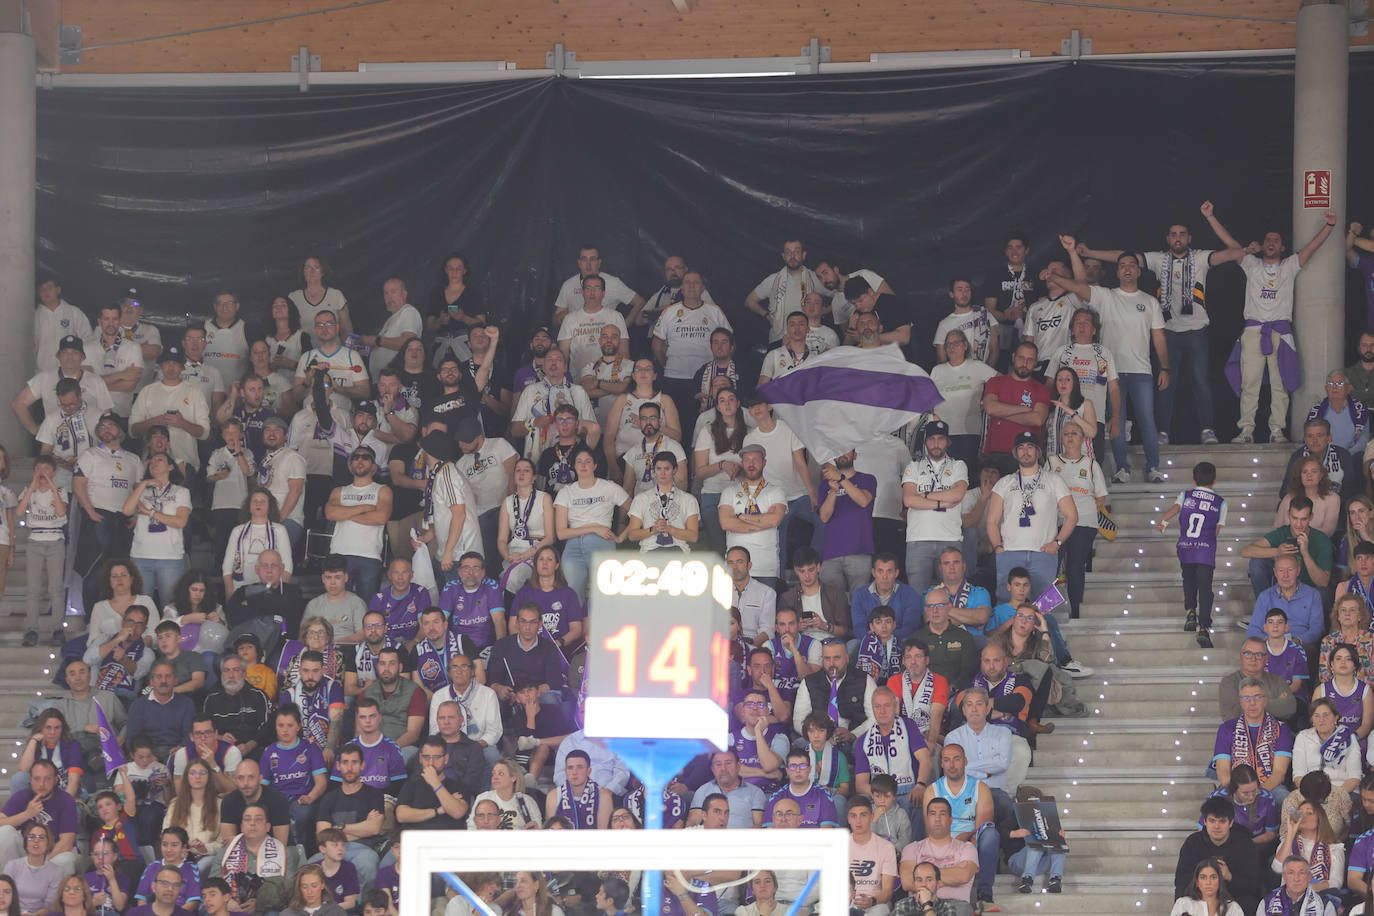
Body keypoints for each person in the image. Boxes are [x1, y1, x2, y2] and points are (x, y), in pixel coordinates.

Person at [1056, 235, 1169, 482]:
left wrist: (1165, 367)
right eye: (1122, 265)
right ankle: (1122, 469)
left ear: (1139, 271)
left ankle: (1154, 467)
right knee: (1115, 420)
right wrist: (1062, 268)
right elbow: (1079, 285)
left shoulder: (1149, 302)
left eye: (1131, 264)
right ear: (1117, 271)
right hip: (1111, 372)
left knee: (1147, 420)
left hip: (1141, 371)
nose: (1127, 268)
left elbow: (1159, 337)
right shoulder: (1106, 296)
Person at [1229, 212, 1339, 443]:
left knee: (1281, 385)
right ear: (1262, 245)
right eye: (1268, 239)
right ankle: (1246, 430)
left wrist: (1329, 225)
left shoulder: (1289, 265)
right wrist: (1210, 217)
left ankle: (1277, 430)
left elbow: (1312, 247)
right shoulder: (1251, 263)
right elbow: (1230, 244)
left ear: (1282, 246)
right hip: (1253, 331)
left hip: (1281, 332)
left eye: (1276, 240)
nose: (1271, 243)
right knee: (1250, 383)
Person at [986, 430, 1077, 601]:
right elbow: (991, 521)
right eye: (1021, 447)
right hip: (1011, 553)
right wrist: (998, 547)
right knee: (1006, 606)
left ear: (1037, 451)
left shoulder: (1053, 480)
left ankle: (1044, 629)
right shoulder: (1005, 482)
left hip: (1043, 553)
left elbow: (1072, 516)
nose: (1025, 451)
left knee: (1045, 606)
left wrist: (1057, 543)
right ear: (1015, 453)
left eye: (1030, 447)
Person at [553, 445, 629, 597]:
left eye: (588, 461)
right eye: (579, 462)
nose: (583, 465)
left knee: (604, 595)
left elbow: (638, 513)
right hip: (573, 546)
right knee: (573, 597)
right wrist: (593, 528)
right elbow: (561, 533)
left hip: (601, 542)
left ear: (595, 465)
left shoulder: (609, 488)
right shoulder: (565, 492)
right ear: (574, 466)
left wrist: (621, 536)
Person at [1175, 795, 1266, 916]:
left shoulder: (1244, 844)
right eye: (1212, 821)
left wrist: (1230, 877)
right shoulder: (1193, 843)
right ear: (1205, 822)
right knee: (1182, 902)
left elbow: (1254, 884)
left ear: (1231, 822)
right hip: (1199, 896)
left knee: (1249, 903)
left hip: (1234, 897)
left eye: (1222, 821)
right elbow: (1181, 880)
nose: (1217, 826)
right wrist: (1204, 883)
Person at [12, 335, 113, 439]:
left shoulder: (96, 381)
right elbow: (19, 403)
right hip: (56, 442)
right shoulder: (44, 378)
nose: (70, 357)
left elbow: (106, 414)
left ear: (82, 357)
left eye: (75, 353)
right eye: (65, 353)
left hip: (88, 442)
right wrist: (35, 430)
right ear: (58, 356)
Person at [324, 447, 392, 601]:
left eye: (365, 457)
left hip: (369, 555)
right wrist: (364, 509)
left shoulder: (383, 490)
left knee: (367, 608)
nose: (360, 460)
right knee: (337, 604)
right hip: (339, 554)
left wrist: (345, 514)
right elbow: (330, 514)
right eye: (355, 457)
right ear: (350, 465)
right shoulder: (338, 491)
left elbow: (381, 518)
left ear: (374, 466)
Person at [128, 346, 209, 475]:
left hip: (185, 463)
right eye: (167, 363)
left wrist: (182, 423)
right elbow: (133, 431)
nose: (171, 367)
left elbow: (204, 433)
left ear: (183, 367)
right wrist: (155, 422)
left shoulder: (194, 392)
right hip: (152, 464)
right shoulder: (147, 391)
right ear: (160, 366)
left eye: (175, 363)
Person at [312, 745, 382, 890]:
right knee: (309, 867)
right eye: (345, 762)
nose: (350, 767)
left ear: (362, 765)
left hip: (362, 850)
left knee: (368, 864)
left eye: (354, 762)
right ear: (338, 766)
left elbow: (374, 828)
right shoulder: (329, 798)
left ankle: (362, 909)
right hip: (330, 850)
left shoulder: (374, 795)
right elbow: (322, 835)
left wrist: (338, 828)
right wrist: (362, 826)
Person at [1214, 677, 1294, 803]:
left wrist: (1256, 792)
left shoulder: (1281, 729)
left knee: (1286, 800)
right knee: (1213, 803)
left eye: (1257, 697)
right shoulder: (1227, 728)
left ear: (1265, 700)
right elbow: (1223, 772)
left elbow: (1279, 772)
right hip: (1235, 788)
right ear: (1241, 701)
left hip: (1270, 786)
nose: (1252, 703)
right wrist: (1241, 791)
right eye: (1246, 698)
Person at [15, 457, 67, 647]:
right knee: (33, 589)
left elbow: (61, 513)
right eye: (38, 468)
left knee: (55, 588)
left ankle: (58, 629)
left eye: (46, 468)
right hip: (35, 540)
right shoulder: (30, 492)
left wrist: (52, 487)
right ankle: (32, 630)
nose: (42, 472)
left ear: (54, 472)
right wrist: (31, 487)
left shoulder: (60, 491)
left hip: (55, 540)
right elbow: (19, 512)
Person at [210, 803, 300, 913]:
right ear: (242, 827)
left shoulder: (285, 852)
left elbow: (289, 889)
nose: (252, 823)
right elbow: (212, 883)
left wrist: (260, 903)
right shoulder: (226, 851)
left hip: (268, 908)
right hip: (230, 906)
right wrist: (226, 901)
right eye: (247, 820)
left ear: (267, 827)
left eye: (258, 819)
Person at [259, 706, 328, 848]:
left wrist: (310, 797)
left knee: (303, 814)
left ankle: (304, 853)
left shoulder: (310, 748)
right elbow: (262, 786)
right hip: (278, 801)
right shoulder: (269, 752)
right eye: (281, 725)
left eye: (290, 725)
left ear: (298, 726)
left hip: (302, 800)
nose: (285, 730)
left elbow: (321, 782)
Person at [899, 797, 978, 916]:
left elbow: (963, 876)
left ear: (951, 820)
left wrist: (922, 878)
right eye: (932, 814)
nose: (937, 818)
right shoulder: (912, 848)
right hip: (918, 904)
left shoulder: (966, 848)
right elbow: (907, 882)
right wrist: (951, 874)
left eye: (942, 814)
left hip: (956, 905)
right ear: (926, 819)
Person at [0, 760, 78, 875]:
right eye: (37, 779)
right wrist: (27, 814)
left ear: (56, 780)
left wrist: (41, 864)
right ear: (30, 779)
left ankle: (56, 892)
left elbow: (67, 842)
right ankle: (9, 886)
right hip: (27, 852)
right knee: (5, 832)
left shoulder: (66, 800)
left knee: (66, 860)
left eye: (47, 779)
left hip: (53, 853)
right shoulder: (21, 796)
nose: (41, 784)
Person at [792, 638, 875, 744]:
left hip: (855, 740)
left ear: (847, 658)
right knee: (799, 744)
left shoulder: (864, 679)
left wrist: (854, 734)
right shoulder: (809, 682)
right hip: (819, 740)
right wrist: (820, 736)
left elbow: (875, 716)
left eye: (837, 658)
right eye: (827, 658)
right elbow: (799, 721)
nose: (832, 663)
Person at [745, 240, 823, 347]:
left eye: (796, 252)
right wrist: (767, 315)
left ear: (803, 255)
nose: (792, 256)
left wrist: (822, 312)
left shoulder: (814, 278)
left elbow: (837, 295)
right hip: (778, 340)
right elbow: (750, 301)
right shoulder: (773, 280)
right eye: (788, 252)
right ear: (783, 256)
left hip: (808, 340)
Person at [981, 340, 1050, 459]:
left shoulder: (1042, 389)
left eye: (1030, 360)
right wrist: (1026, 409)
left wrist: (1001, 413)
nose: (1025, 363)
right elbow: (990, 408)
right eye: (1021, 358)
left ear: (1036, 362)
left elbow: (1037, 419)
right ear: (1013, 357)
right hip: (996, 451)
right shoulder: (995, 382)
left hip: (1027, 456)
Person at [1243, 555, 1325, 651]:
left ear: (1298, 571)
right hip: (1271, 644)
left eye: (1290, 570)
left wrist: (1298, 640)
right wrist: (1269, 641)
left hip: (1301, 645)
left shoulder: (1313, 595)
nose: (1285, 575)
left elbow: (1318, 628)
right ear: (1275, 573)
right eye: (1281, 570)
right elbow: (1253, 629)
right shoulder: (1265, 596)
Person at [394, 736, 469, 831]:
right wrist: (439, 810)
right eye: (426, 757)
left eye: (437, 757)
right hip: (417, 841)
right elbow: (401, 815)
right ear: (420, 758)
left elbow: (457, 812)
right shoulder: (411, 785)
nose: (431, 763)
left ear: (446, 759)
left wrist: (435, 783)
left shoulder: (459, 786)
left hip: (447, 841)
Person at [913, 587, 979, 692]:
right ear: (925, 610)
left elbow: (969, 671)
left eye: (939, 605)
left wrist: (953, 688)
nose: (935, 610)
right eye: (930, 606)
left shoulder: (964, 637)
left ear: (949, 607)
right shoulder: (916, 639)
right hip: (924, 693)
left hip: (956, 693)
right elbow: (910, 671)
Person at [162, 757, 224, 868]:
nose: (197, 777)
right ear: (187, 777)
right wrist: (184, 846)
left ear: (209, 777)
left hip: (206, 858)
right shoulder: (175, 804)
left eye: (202, 773)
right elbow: (165, 834)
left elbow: (222, 842)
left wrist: (205, 848)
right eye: (193, 773)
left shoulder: (220, 805)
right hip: (178, 855)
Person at [1294, 698, 1362, 797]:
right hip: (1310, 792)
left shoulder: (1348, 737)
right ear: (1312, 720)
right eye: (1316, 716)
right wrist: (1312, 794)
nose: (1321, 720)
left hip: (1342, 790)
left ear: (1336, 717)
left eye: (1326, 715)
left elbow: (1355, 777)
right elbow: (1298, 775)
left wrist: (1335, 796)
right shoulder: (1303, 737)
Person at [33, 276, 91, 375]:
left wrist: (81, 362)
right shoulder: (33, 316)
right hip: (43, 371)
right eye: (42, 290)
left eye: (49, 288)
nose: (46, 292)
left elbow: (88, 337)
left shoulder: (73, 312)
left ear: (58, 290)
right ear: (38, 294)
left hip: (71, 370)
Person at [467, 759, 542, 829]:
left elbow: (538, 829)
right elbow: (472, 827)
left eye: (501, 774)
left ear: (513, 778)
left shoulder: (527, 801)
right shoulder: (483, 798)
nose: (495, 777)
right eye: (493, 774)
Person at [1263, 857, 1338, 916]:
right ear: (1284, 877)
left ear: (1309, 877)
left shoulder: (1325, 904)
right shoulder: (1266, 902)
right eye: (1291, 873)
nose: (1296, 878)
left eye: (1301, 873)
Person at [1169, 859, 1243, 916]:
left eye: (1213, 877)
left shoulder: (1233, 907)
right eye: (1203, 877)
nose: (1208, 882)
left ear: (1220, 881)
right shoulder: (1184, 904)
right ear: (1197, 882)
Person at [277, 865, 347, 916]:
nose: (309, 891)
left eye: (314, 886)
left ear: (322, 885)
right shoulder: (287, 914)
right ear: (299, 888)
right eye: (304, 887)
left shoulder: (337, 912)